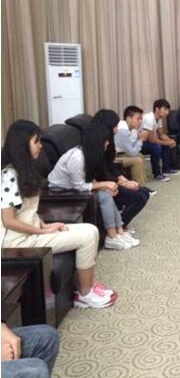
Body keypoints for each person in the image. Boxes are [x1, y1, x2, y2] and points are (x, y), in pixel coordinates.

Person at [2, 120, 117, 308]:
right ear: (23, 144)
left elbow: (27, 210)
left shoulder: (25, 170)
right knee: (88, 235)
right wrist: (42, 231)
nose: (41, 146)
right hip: (18, 241)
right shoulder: (9, 175)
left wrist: (44, 224)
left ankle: (86, 287)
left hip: (31, 232)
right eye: (36, 141)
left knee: (90, 229)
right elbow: (8, 221)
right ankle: (85, 294)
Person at [48, 123, 135, 250]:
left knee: (107, 193)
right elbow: (80, 186)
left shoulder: (90, 154)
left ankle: (119, 232)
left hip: (74, 186)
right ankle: (112, 236)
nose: (107, 143)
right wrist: (105, 184)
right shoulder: (77, 158)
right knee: (105, 196)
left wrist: (104, 187)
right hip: (60, 191)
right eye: (105, 141)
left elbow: (88, 177)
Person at [92, 110, 150, 239]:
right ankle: (118, 228)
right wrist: (123, 183)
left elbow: (110, 166)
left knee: (144, 192)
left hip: (109, 179)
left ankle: (121, 226)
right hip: (102, 183)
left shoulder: (109, 141)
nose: (117, 129)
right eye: (115, 126)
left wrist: (124, 180)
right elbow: (102, 172)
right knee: (139, 197)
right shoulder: (97, 143)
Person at [141, 99, 179, 182]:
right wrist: (167, 143)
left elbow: (161, 134)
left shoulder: (159, 119)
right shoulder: (149, 118)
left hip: (147, 141)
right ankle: (157, 174)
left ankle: (166, 169)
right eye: (165, 109)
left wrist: (171, 141)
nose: (167, 112)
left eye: (168, 110)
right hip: (139, 143)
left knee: (165, 144)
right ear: (157, 109)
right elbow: (151, 140)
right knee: (156, 147)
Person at [114, 105, 150, 187]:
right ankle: (140, 187)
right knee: (137, 160)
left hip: (120, 153)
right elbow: (132, 152)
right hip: (113, 157)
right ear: (129, 118)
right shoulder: (122, 130)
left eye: (141, 119)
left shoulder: (132, 129)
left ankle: (141, 182)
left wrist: (138, 137)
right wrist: (141, 139)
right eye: (138, 119)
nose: (140, 121)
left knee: (140, 155)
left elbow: (132, 148)